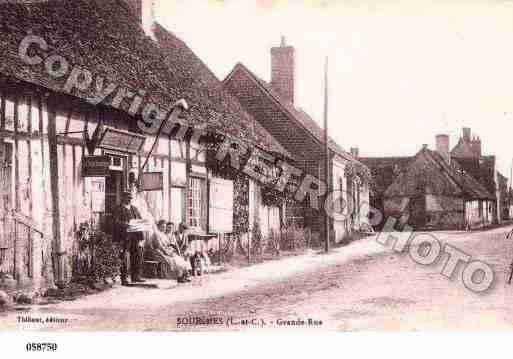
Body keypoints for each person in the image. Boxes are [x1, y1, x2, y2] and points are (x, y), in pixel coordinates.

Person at [114, 191, 146, 286]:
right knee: (124, 256)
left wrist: (141, 236)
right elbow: (116, 222)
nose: (129, 200)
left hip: (135, 236)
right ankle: (124, 278)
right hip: (124, 236)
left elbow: (140, 221)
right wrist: (125, 224)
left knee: (137, 255)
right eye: (127, 198)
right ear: (123, 198)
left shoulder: (134, 209)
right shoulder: (118, 209)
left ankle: (135, 276)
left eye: (130, 198)